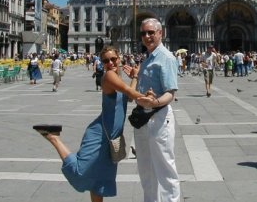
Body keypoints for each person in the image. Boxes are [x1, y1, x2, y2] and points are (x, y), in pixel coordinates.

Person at [33, 47, 146, 201]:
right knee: (80, 171)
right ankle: (53, 137)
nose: (111, 63)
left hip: (111, 139)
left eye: (113, 59)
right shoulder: (109, 76)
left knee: (100, 182)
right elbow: (130, 92)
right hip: (99, 135)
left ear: (119, 59)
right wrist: (152, 100)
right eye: (106, 60)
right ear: (102, 63)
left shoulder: (117, 78)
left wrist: (135, 77)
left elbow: (129, 97)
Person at [134, 18, 180, 202]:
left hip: (159, 118)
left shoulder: (166, 57)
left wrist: (155, 103)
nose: (147, 36)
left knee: (165, 170)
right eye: (144, 33)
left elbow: (171, 93)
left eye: (151, 32)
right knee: (146, 170)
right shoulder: (149, 57)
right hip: (144, 119)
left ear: (161, 33)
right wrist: (135, 77)